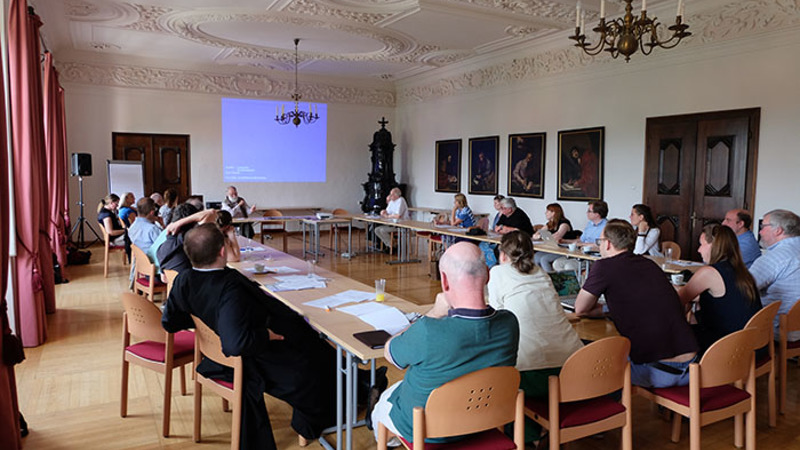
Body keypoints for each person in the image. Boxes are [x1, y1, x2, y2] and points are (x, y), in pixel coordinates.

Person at [161, 224, 339, 449]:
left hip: (217, 354)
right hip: (255, 357)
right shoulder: (229, 287)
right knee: (319, 361)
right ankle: (313, 420)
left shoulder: (184, 278)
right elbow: (236, 343)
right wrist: (266, 335)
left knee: (321, 351)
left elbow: (170, 321)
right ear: (222, 251)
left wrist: (204, 325)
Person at [371, 242, 519, 446]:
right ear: (488, 273)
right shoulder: (510, 323)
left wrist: (432, 313)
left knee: (382, 406)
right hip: (486, 419)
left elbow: (390, 352)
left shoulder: (428, 330)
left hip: (428, 431)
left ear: (444, 280)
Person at [575, 219, 698, 388]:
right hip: (692, 366)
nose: (600, 245)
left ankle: (610, 410)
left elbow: (580, 308)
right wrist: (605, 308)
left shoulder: (604, 266)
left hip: (660, 371)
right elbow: (640, 301)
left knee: (589, 358)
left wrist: (591, 311)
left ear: (608, 244)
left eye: (600, 241)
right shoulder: (649, 264)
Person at [488, 231, 583, 444]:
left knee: (504, 373)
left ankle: (525, 437)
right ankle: (541, 429)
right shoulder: (541, 273)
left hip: (532, 374)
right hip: (573, 369)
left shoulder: (498, 273)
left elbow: (496, 317)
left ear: (503, 254)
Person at [679, 224, 761, 353]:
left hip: (725, 349)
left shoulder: (709, 272)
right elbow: (728, 300)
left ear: (714, 246)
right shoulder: (742, 272)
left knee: (673, 335)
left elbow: (677, 300)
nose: (699, 250)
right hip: (752, 346)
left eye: (702, 244)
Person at [749, 209, 800, 340]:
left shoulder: (775, 257)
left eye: (763, 227)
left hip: (779, 330)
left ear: (778, 230)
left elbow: (744, 288)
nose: (759, 232)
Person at [480, 197, 533, 268]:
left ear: (510, 209)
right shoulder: (504, 215)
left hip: (520, 241)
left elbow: (518, 231)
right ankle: (488, 267)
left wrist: (506, 229)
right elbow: (497, 228)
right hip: (505, 239)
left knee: (499, 249)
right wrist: (504, 228)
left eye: (503, 208)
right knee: (483, 245)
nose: (501, 209)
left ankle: (499, 267)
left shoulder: (520, 215)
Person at [533, 203, 574, 272]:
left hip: (563, 250)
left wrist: (541, 236)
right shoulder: (550, 224)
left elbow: (557, 237)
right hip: (552, 249)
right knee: (536, 256)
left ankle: (550, 279)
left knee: (544, 259)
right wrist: (539, 235)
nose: (545, 213)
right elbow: (535, 235)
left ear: (553, 213)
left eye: (547, 211)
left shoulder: (564, 223)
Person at [375, 187, 409, 251]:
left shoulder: (401, 200)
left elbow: (398, 216)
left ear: (396, 195)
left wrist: (388, 216)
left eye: (392, 194)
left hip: (400, 225)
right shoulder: (392, 201)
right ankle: (391, 245)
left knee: (382, 230)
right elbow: (387, 211)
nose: (390, 196)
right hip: (392, 224)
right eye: (390, 194)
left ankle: (392, 247)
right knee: (377, 230)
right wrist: (383, 211)